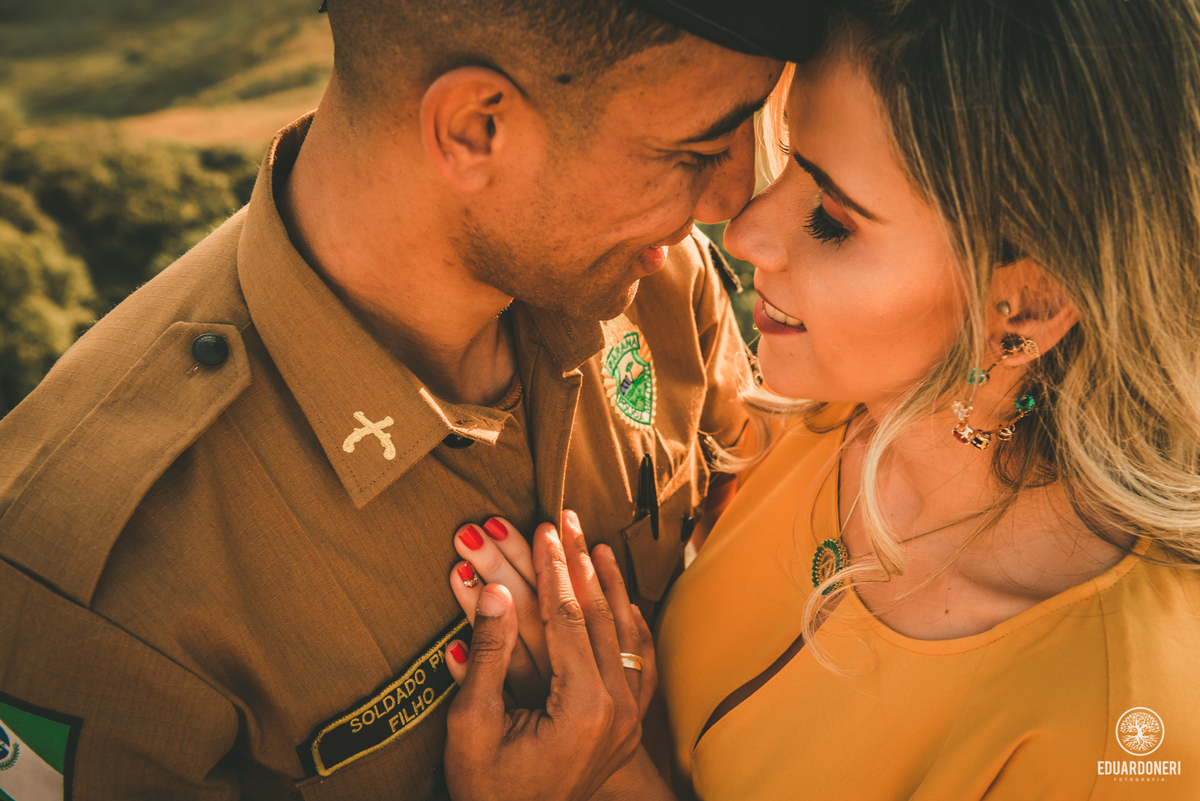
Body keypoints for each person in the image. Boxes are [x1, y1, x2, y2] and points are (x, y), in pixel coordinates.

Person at [0, 1, 832, 798]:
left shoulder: (653, 276)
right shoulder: (91, 585)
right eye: (695, 150)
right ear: (476, 128)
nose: (732, 205)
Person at [444, 0, 1200, 798]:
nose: (745, 232)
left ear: (1027, 305)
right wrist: (592, 693)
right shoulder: (814, 415)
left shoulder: (1126, 723)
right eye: (791, 159)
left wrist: (595, 779)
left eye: (834, 220)